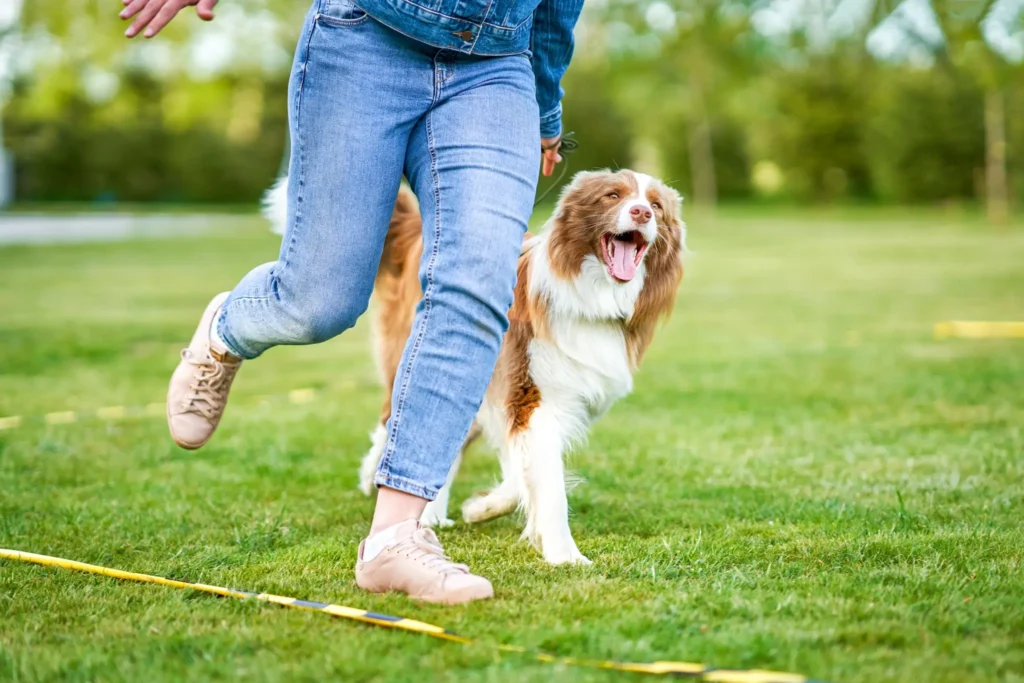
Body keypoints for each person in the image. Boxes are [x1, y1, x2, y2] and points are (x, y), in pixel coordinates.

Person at [121, 0, 583, 604]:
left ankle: (396, 537)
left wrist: (545, 102)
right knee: (320, 300)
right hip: (367, 39)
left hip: (496, 69)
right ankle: (227, 327)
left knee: (476, 287)